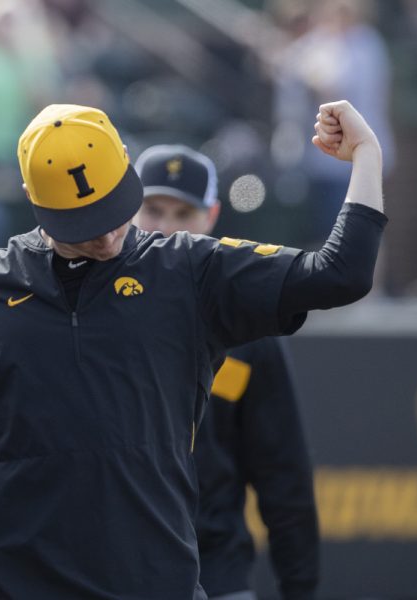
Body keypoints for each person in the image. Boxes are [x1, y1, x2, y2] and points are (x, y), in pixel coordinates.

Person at [0, 100, 386, 600]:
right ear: (33, 202)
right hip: (15, 585)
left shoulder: (189, 268)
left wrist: (366, 156)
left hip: (154, 584)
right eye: (84, 221)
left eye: (115, 206)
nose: (105, 234)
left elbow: (340, 274)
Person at [134, 144, 319, 600]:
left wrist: (300, 587)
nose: (167, 227)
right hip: (114, 572)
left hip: (214, 569)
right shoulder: (95, 308)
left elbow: (282, 472)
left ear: (212, 215)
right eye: (153, 210)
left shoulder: (249, 329)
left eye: (184, 213)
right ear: (128, 210)